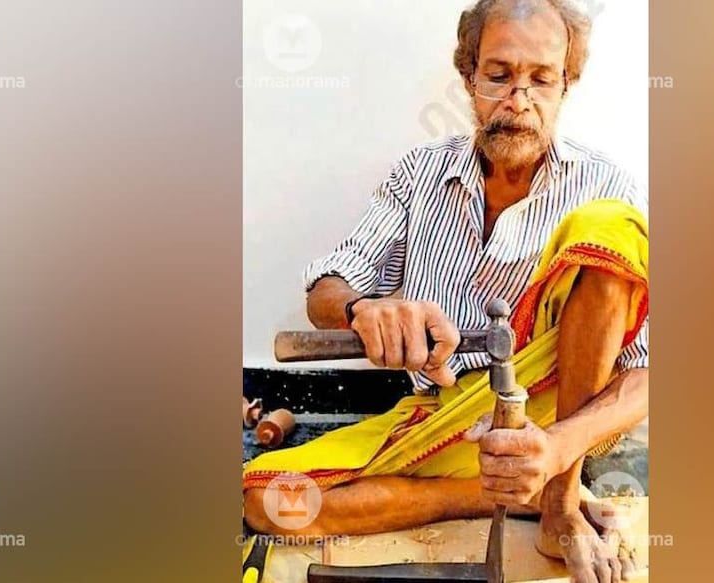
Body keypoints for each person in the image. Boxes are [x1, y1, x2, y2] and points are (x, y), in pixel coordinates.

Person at [244, 1, 648, 580]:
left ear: (567, 84)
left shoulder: (608, 184)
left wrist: (558, 448)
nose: (519, 100)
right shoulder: (419, 172)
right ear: (468, 77)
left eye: (541, 78)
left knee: (608, 225)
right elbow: (329, 284)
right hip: (439, 413)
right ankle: (500, 495)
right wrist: (366, 310)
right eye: (499, 75)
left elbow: (649, 373)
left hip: (554, 421)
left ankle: (558, 505)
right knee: (271, 503)